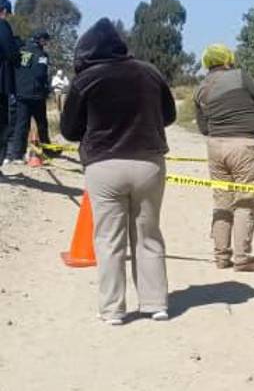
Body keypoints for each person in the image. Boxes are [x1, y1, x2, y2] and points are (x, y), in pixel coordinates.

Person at [60, 18, 176, 325]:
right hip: (149, 163)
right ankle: (156, 304)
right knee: (148, 234)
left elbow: (69, 130)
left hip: (103, 165)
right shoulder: (149, 72)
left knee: (109, 239)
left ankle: (112, 310)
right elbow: (169, 115)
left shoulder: (86, 79)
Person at [193, 43, 254, 272]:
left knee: (222, 201)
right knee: (245, 202)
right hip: (246, 146)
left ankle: (221, 257)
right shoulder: (239, 76)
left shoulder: (200, 88)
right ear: (228, 59)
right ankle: (242, 258)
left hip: (216, 147)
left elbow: (203, 128)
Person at [7, 31, 53, 163]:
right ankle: (47, 149)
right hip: (36, 94)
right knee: (42, 124)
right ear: (40, 40)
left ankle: (17, 154)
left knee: (21, 125)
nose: (46, 43)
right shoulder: (41, 55)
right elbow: (40, 74)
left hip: (20, 94)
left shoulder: (20, 52)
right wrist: (46, 89)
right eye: (45, 40)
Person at [0, 0, 20, 174]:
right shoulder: (2, 26)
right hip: (1, 83)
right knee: (2, 123)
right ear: (4, 11)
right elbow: (11, 53)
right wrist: (17, 48)